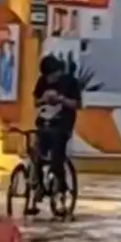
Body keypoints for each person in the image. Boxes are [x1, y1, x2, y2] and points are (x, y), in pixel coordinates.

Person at [31, 54, 81, 214]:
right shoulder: (42, 82)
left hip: (62, 124)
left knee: (56, 156)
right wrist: (43, 99)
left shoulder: (70, 82)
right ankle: (37, 187)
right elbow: (35, 101)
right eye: (48, 77)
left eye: (53, 75)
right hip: (44, 122)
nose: (51, 79)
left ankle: (60, 187)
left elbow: (77, 104)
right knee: (35, 153)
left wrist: (61, 99)